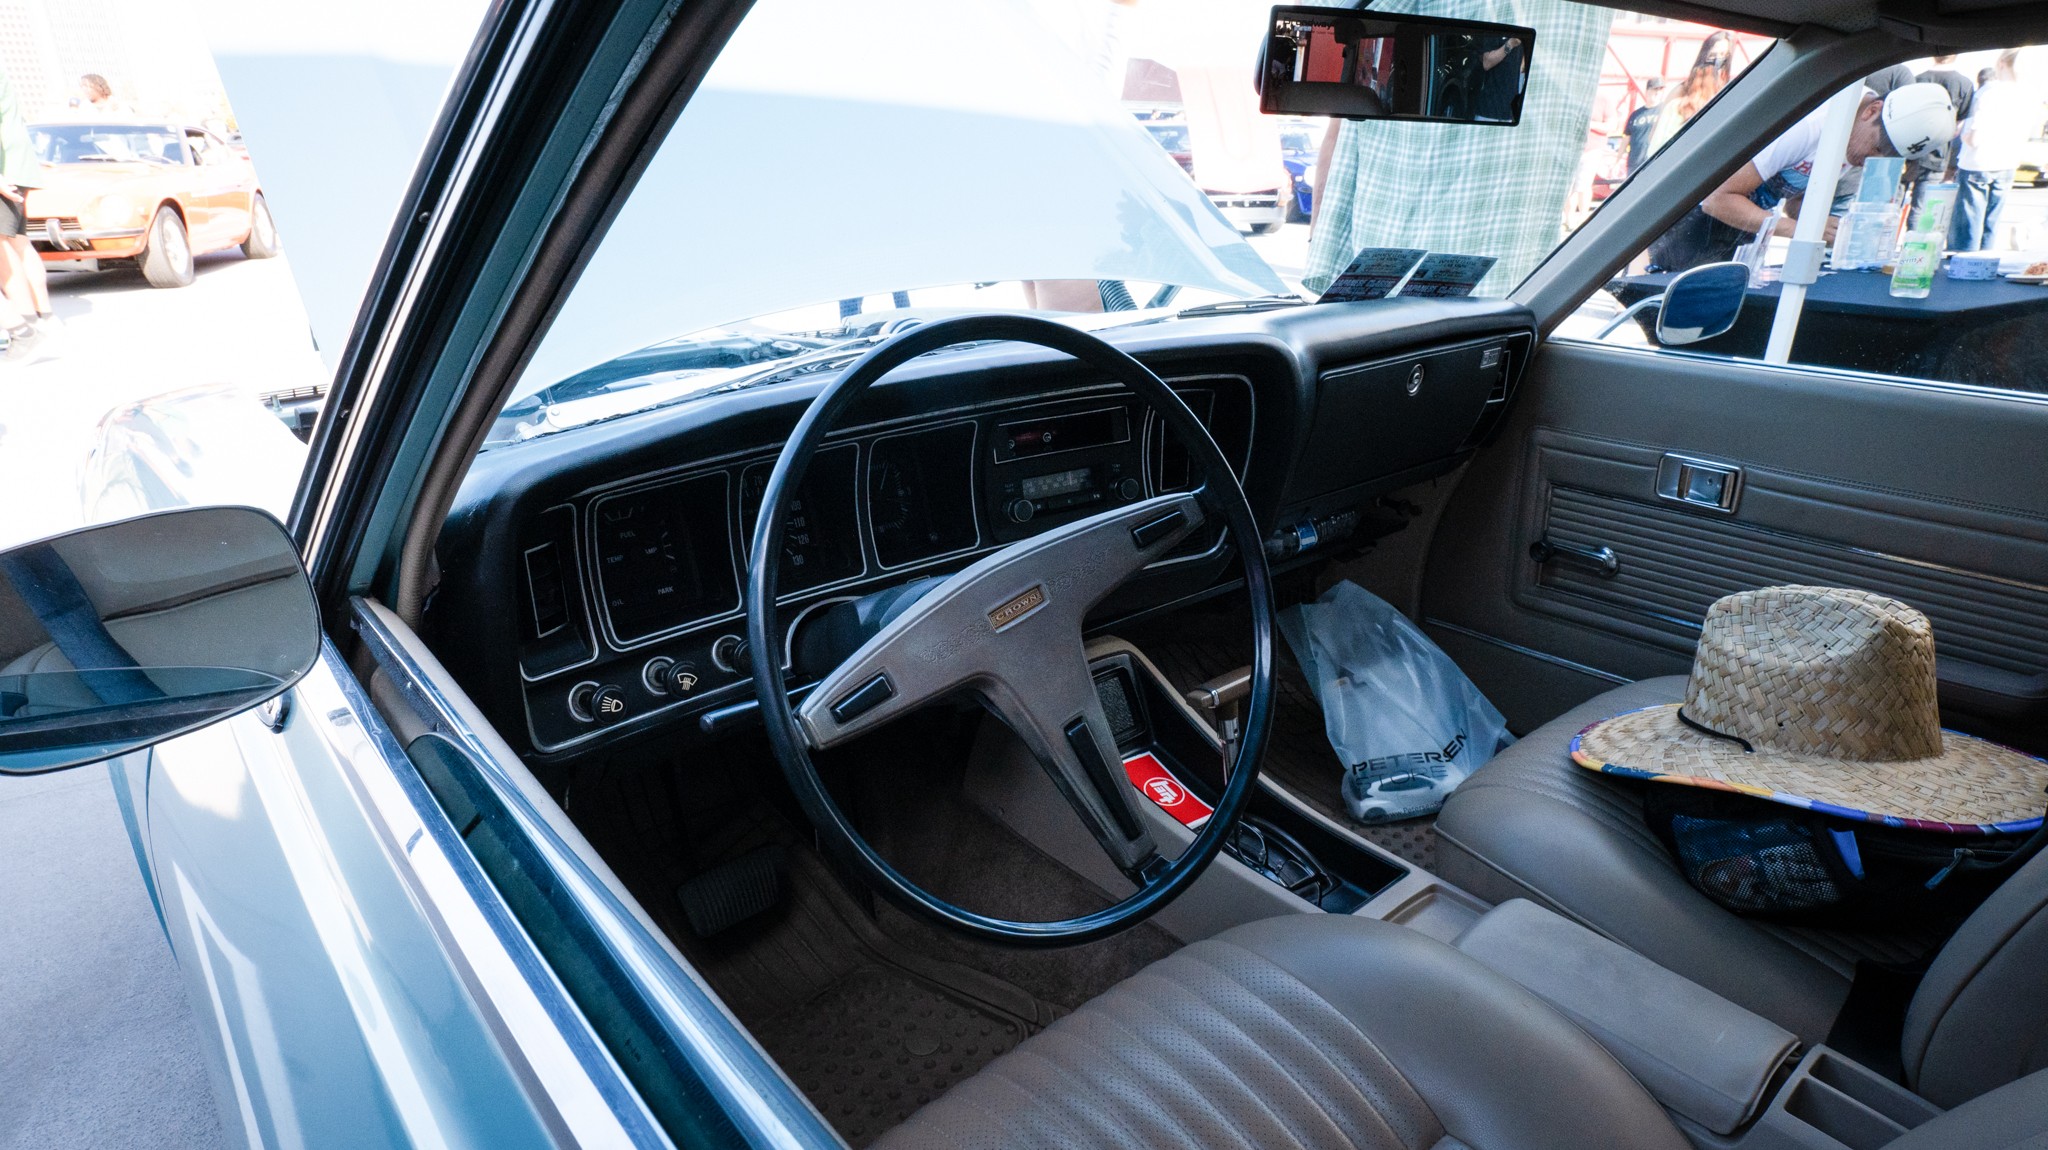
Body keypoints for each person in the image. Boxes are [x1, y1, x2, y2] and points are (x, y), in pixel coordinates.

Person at [1646, 82, 1956, 271]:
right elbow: (1716, 200)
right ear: (1871, 111)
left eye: (1889, 157)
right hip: (1690, 224)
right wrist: (1801, 230)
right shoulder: (1816, 125)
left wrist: (1829, 228)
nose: (1872, 160)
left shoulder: (1852, 137)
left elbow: (1794, 202)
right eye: (1878, 148)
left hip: (1737, 228)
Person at [1950, 50, 2028, 252]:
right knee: (1991, 223)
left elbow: (1974, 136)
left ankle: (1964, 267)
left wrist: (1966, 137)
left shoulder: (1990, 91)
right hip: (2007, 163)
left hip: (1978, 163)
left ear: (2001, 62)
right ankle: (1985, 265)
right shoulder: (2025, 94)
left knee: (1969, 223)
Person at [0, 63, 52, 360]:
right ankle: (38, 321)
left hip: (5, 166)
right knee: (17, 245)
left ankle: (25, 329)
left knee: (4, 248)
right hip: (15, 163)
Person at [1646, 32, 1733, 152]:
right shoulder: (1680, 91)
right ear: (1705, 55)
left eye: (1723, 55)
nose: (1718, 60)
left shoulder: (1727, 91)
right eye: (1713, 55)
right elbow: (1656, 136)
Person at [1911, 54, 1976, 214]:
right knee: (1921, 209)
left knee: (1894, 202)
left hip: (1908, 149)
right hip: (1938, 154)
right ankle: (1913, 239)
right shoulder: (1965, 84)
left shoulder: (1916, 80)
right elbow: (1958, 126)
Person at [1623, 77, 1665, 173]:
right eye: (1655, 89)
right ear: (1647, 91)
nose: (1657, 92)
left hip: (1656, 161)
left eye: (1660, 90)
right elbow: (1626, 137)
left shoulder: (1665, 111)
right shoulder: (1635, 115)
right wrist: (1617, 161)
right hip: (1635, 163)